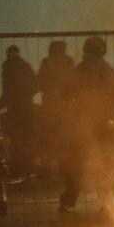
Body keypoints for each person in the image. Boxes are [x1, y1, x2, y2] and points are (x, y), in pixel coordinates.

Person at [58, 37, 114, 212]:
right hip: (95, 123)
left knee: (79, 163)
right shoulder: (106, 71)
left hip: (85, 123)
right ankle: (106, 201)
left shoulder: (81, 70)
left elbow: (66, 94)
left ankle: (70, 200)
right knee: (100, 162)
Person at [0, 45, 38, 176]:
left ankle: (17, 169)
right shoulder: (26, 67)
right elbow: (34, 87)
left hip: (15, 109)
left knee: (15, 139)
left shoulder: (8, 69)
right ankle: (29, 169)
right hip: (28, 108)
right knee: (27, 139)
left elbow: (7, 92)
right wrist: (25, 96)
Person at [36, 40, 74, 172]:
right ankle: (65, 167)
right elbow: (74, 82)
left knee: (48, 136)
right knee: (64, 137)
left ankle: (48, 167)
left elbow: (39, 83)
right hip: (66, 106)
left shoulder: (47, 63)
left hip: (50, 106)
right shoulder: (69, 62)